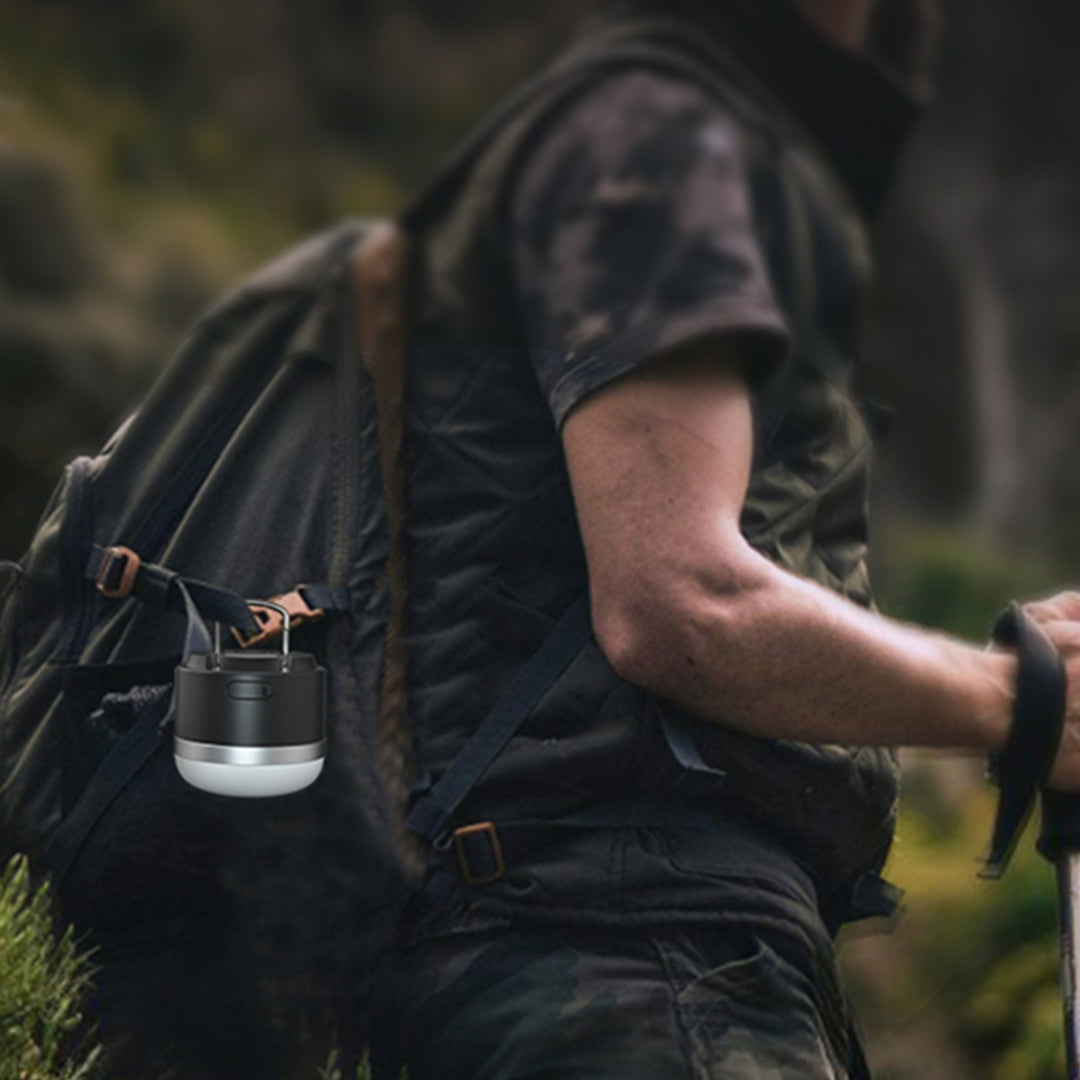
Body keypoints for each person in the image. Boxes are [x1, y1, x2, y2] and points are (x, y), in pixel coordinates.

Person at [372, 0, 1080, 1076]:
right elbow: (678, 601)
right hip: (630, 963)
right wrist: (1017, 699)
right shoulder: (669, 133)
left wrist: (1001, 670)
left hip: (620, 959)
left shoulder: (676, 136)